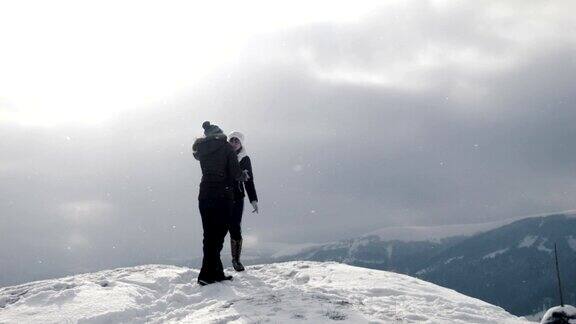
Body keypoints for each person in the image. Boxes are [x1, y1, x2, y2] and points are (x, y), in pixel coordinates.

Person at [192, 121, 247, 286]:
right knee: (219, 235)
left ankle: (214, 273)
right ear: (220, 133)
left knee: (209, 235)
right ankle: (208, 274)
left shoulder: (201, 149)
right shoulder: (226, 147)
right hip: (223, 195)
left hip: (205, 195)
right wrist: (243, 175)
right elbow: (236, 173)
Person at [227, 131, 259, 272]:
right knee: (220, 228)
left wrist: (253, 199)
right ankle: (214, 260)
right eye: (231, 140)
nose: (233, 143)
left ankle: (236, 260)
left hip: (237, 197)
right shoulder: (222, 156)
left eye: (236, 141)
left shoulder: (245, 159)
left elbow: (249, 180)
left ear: (241, 143)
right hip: (222, 196)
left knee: (235, 227)